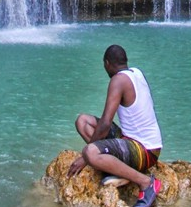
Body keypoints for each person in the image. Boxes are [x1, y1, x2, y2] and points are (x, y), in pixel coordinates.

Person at [68, 44, 163, 207]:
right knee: (82, 121)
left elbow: (105, 124)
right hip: (139, 143)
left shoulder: (118, 80)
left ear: (107, 63)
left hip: (144, 150)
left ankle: (146, 183)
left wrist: (85, 158)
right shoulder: (137, 73)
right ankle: (119, 170)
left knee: (90, 152)